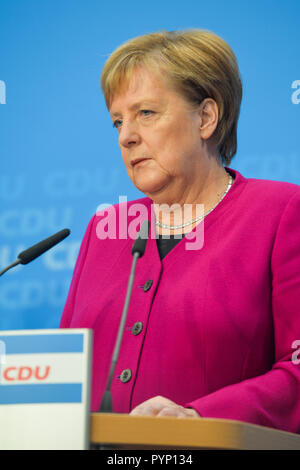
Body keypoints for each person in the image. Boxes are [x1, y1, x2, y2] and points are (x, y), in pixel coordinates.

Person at [60, 30, 300, 432]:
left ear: (205, 117)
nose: (126, 136)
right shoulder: (105, 230)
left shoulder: (280, 213)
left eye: (146, 114)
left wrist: (198, 418)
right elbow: (65, 378)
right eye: (118, 121)